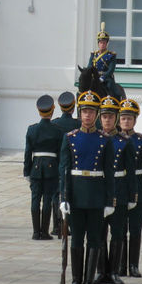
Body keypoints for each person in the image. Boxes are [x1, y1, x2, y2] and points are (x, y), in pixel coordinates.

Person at [58, 91, 115, 284]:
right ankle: (76, 281)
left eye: (91, 112)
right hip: (76, 195)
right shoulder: (70, 138)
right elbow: (64, 170)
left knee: (94, 240)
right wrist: (63, 198)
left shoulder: (104, 140)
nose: (88, 116)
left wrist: (110, 200)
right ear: (79, 114)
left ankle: (89, 282)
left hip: (96, 196)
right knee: (76, 240)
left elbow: (109, 172)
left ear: (97, 114)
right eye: (84, 112)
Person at [93, 96, 135, 284]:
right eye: (104, 117)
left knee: (118, 233)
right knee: (99, 233)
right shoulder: (96, 139)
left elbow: (131, 172)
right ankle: (101, 271)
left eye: (110, 117)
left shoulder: (125, 141)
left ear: (116, 118)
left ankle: (115, 271)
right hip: (100, 191)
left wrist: (132, 195)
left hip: (119, 190)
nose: (107, 120)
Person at [118, 98, 142, 277]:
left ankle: (133, 265)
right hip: (121, 187)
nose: (126, 121)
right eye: (123, 118)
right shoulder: (113, 141)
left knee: (135, 229)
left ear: (135, 120)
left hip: (138, 187)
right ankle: (120, 264)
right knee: (120, 229)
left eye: (129, 118)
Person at [24, 95, 65, 240]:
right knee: (47, 199)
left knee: (35, 199)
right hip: (51, 168)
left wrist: (26, 171)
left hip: (35, 167)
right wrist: (60, 171)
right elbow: (61, 154)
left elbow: (28, 152)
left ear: (39, 111)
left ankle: (36, 232)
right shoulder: (58, 130)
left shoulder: (32, 129)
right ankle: (44, 231)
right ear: (52, 111)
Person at [50, 91, 79, 235]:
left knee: (57, 194)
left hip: (57, 163)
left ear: (61, 107)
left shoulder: (54, 123)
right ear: (73, 107)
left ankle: (57, 225)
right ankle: (70, 224)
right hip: (74, 165)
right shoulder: (77, 124)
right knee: (71, 194)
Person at [83, 24, 125, 101]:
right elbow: (89, 66)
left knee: (112, 90)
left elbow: (111, 70)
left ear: (107, 44)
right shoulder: (94, 54)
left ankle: (116, 102)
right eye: (101, 42)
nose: (102, 44)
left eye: (104, 43)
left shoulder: (111, 55)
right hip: (94, 78)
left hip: (106, 78)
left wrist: (103, 77)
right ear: (98, 43)